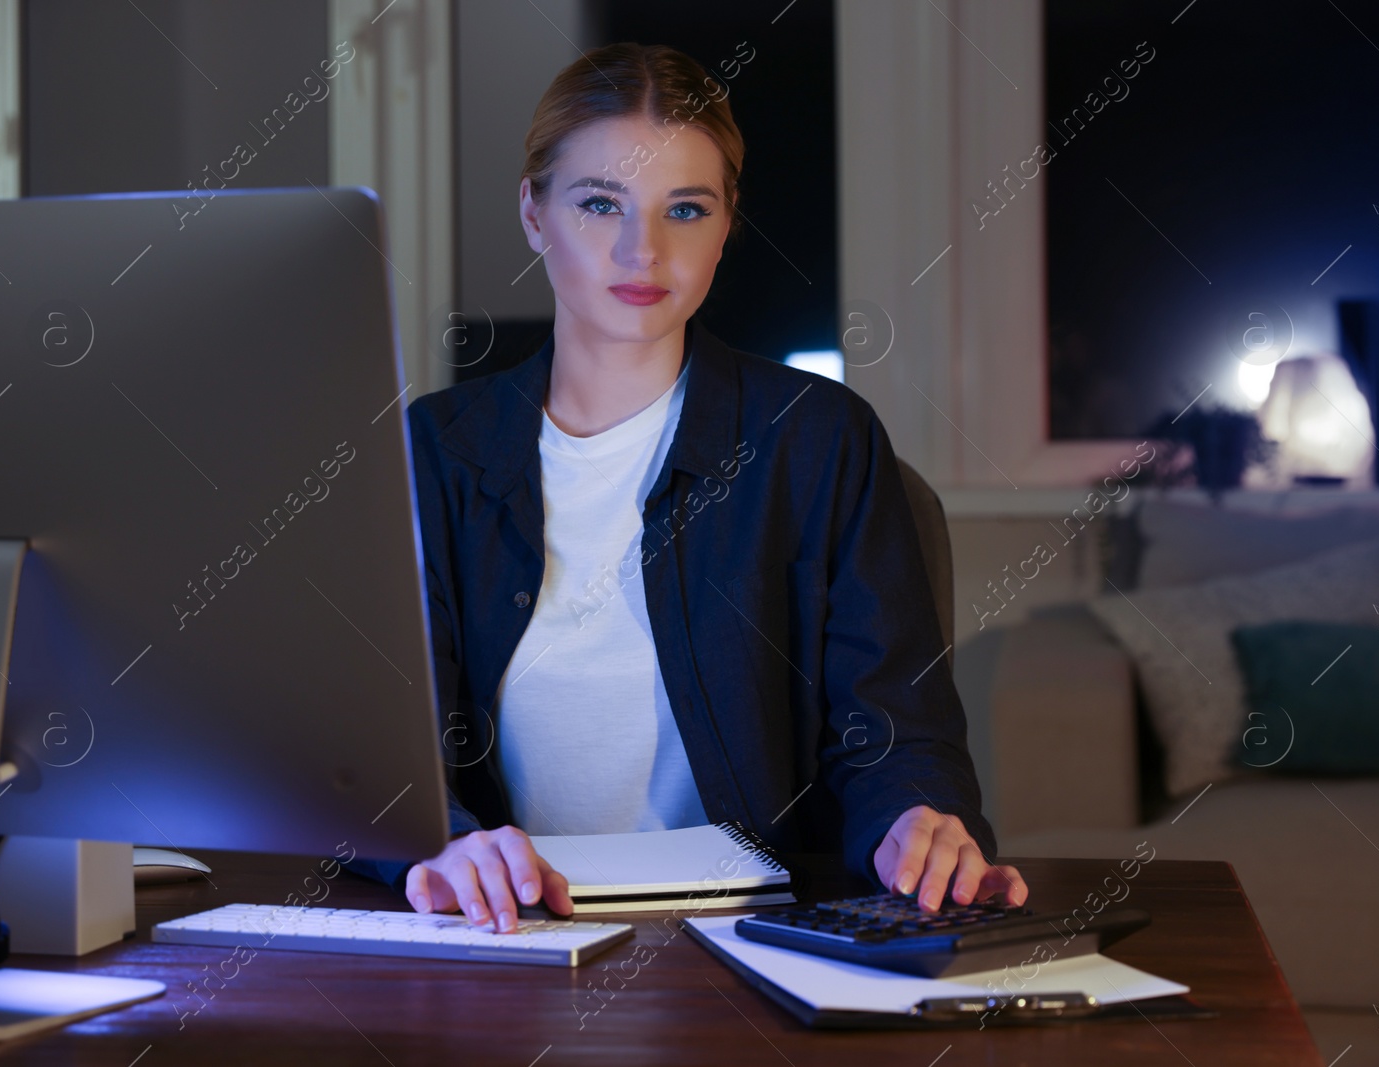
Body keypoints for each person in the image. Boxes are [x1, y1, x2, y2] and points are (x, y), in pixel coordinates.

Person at [354, 42, 1026, 933]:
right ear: (533, 213)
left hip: (749, 942)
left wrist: (915, 820)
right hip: (502, 935)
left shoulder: (818, 440)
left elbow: (896, 734)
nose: (644, 248)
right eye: (600, 204)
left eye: (685, 208)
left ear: (726, 224)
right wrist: (441, 839)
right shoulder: (432, 452)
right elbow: (374, 749)